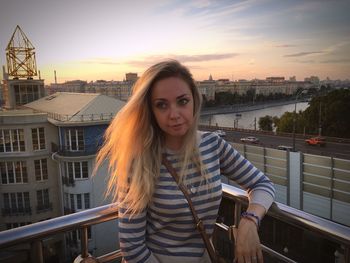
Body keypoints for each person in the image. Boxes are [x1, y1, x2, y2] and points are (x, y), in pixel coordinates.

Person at [95, 60, 275, 263]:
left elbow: (262, 184)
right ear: (151, 111)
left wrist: (249, 221)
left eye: (182, 101)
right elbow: (132, 246)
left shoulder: (213, 145)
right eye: (161, 105)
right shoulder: (140, 159)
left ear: (194, 101)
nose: (174, 115)